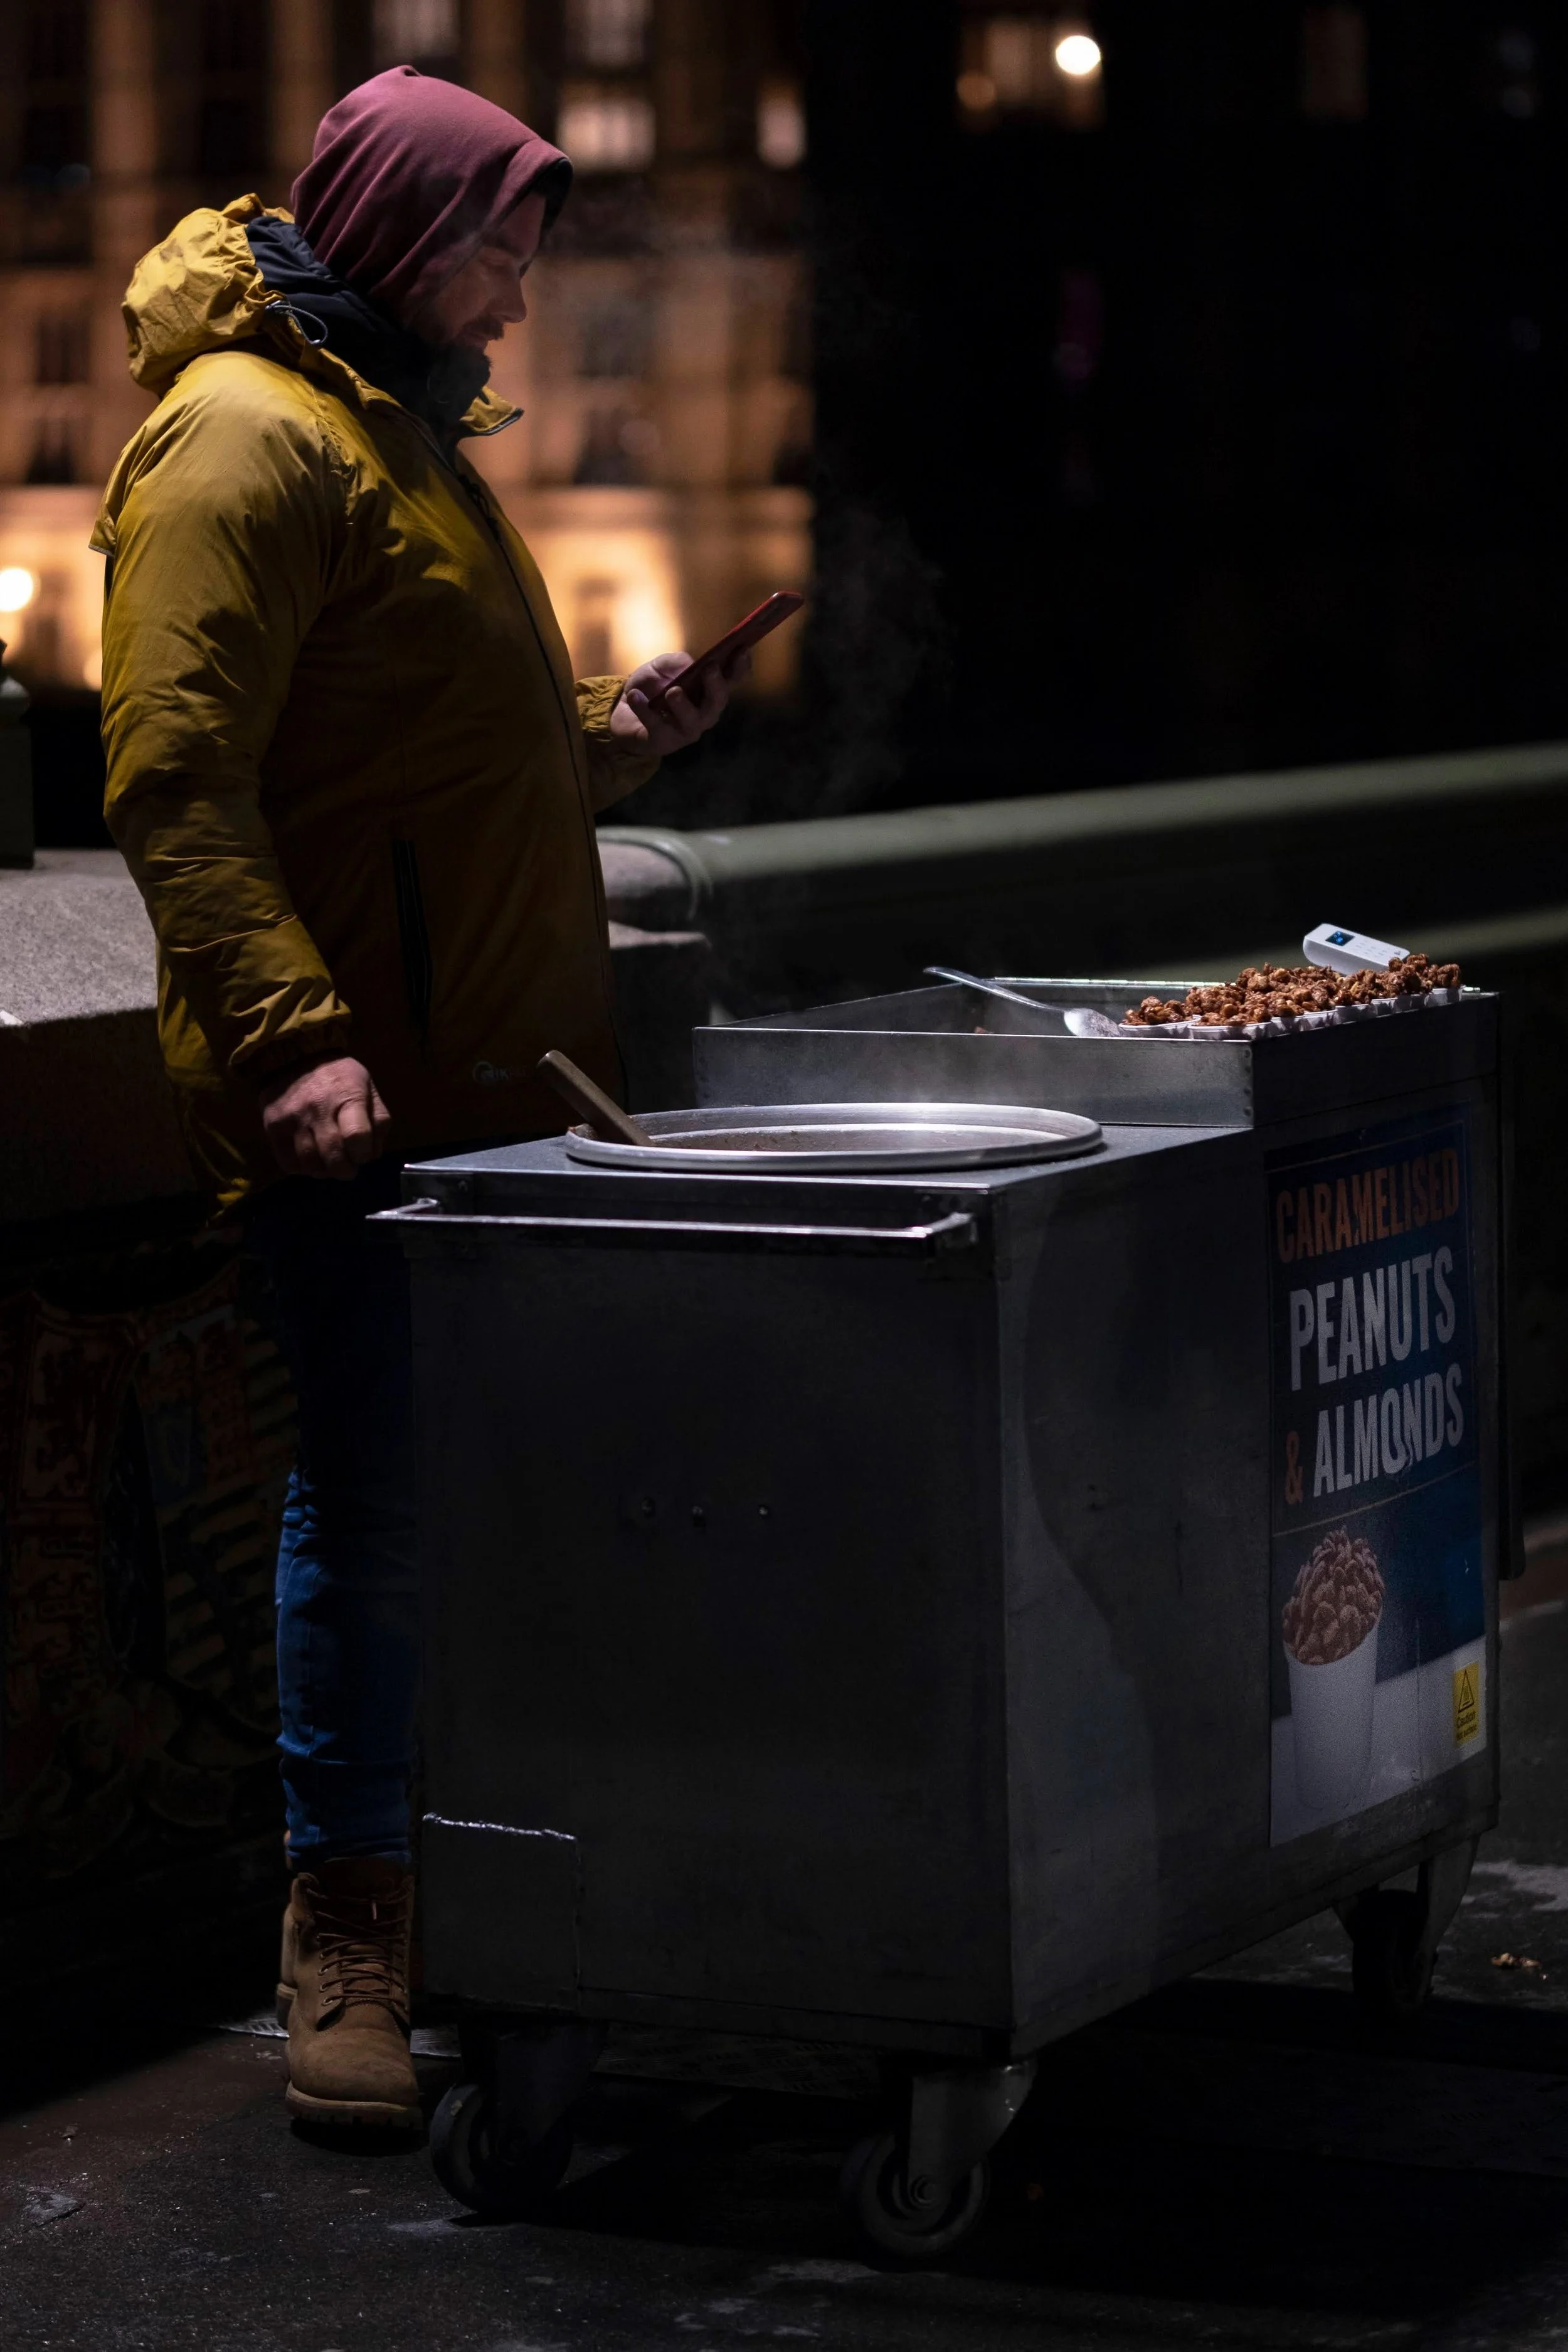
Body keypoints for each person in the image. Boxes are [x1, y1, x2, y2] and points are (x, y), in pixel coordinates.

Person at [96, 67, 744, 2130]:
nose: (520, 301)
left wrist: (611, 733)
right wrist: (295, 1036)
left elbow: (425, 745)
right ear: (399, 235)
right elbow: (177, 777)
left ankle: (489, 1885)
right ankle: (346, 1938)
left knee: (479, 1511)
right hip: (369, 1100)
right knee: (371, 1511)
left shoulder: (388, 425)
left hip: (489, 1091)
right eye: (499, 255)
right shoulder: (243, 435)